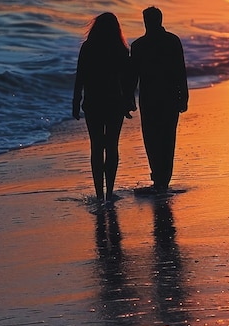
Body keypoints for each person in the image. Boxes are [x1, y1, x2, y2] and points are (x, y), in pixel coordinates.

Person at [72, 12, 135, 204]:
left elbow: (80, 76)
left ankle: (99, 193)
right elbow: (127, 80)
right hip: (114, 102)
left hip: (93, 102)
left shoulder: (88, 47)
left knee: (97, 147)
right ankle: (109, 191)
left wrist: (76, 101)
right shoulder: (121, 49)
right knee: (112, 146)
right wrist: (128, 103)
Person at [131, 6, 188, 193]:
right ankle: (162, 180)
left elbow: (133, 77)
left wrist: (129, 98)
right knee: (166, 137)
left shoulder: (139, 45)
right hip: (168, 96)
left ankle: (159, 178)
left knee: (153, 138)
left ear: (146, 21)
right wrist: (184, 96)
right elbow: (181, 71)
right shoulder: (172, 41)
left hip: (150, 98)